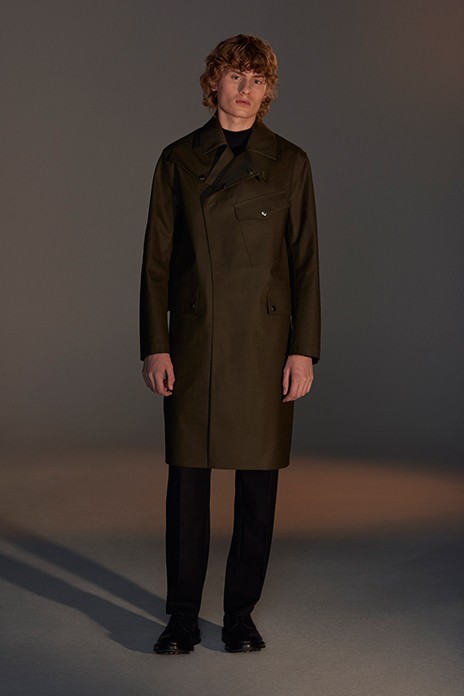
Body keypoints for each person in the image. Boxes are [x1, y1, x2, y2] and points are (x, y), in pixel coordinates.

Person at [140, 33, 321, 654]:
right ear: (213, 81)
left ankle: (240, 614)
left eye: (257, 79)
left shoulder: (290, 162)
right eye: (235, 75)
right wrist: (156, 344)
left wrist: (303, 349)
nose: (245, 89)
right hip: (195, 339)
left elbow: (305, 263)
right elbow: (156, 262)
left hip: (264, 344)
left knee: (258, 487)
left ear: (268, 91)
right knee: (187, 484)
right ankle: (182, 617)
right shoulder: (177, 159)